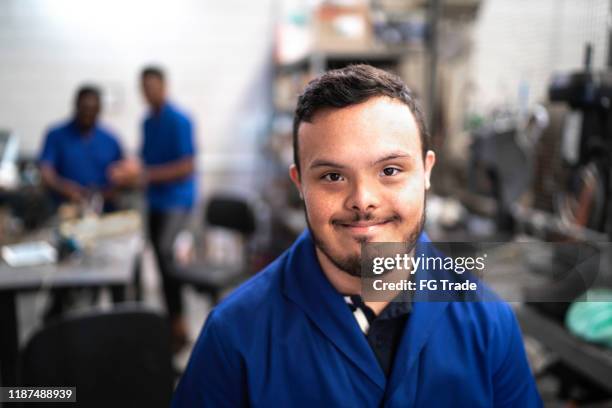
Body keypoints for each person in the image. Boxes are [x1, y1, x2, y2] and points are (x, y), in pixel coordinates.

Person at [172, 65, 542, 407]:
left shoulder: (489, 322)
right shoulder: (234, 336)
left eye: (391, 170)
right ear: (300, 184)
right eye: (333, 176)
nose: (363, 201)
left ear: (427, 172)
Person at [110, 66, 196, 352]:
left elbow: (187, 166)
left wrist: (145, 176)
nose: (148, 92)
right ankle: (163, 321)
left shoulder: (179, 120)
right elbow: (144, 159)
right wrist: (127, 169)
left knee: (167, 256)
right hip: (156, 200)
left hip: (177, 201)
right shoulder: (147, 121)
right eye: (144, 87)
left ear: (164, 86)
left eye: (153, 86)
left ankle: (179, 323)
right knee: (155, 259)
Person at [39, 85, 123, 212]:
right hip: (65, 210)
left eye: (93, 109)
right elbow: (46, 172)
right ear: (76, 106)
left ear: (99, 109)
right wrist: (65, 188)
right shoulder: (56, 135)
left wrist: (107, 193)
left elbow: (123, 173)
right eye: (85, 108)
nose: (88, 114)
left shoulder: (110, 139)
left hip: (103, 210)